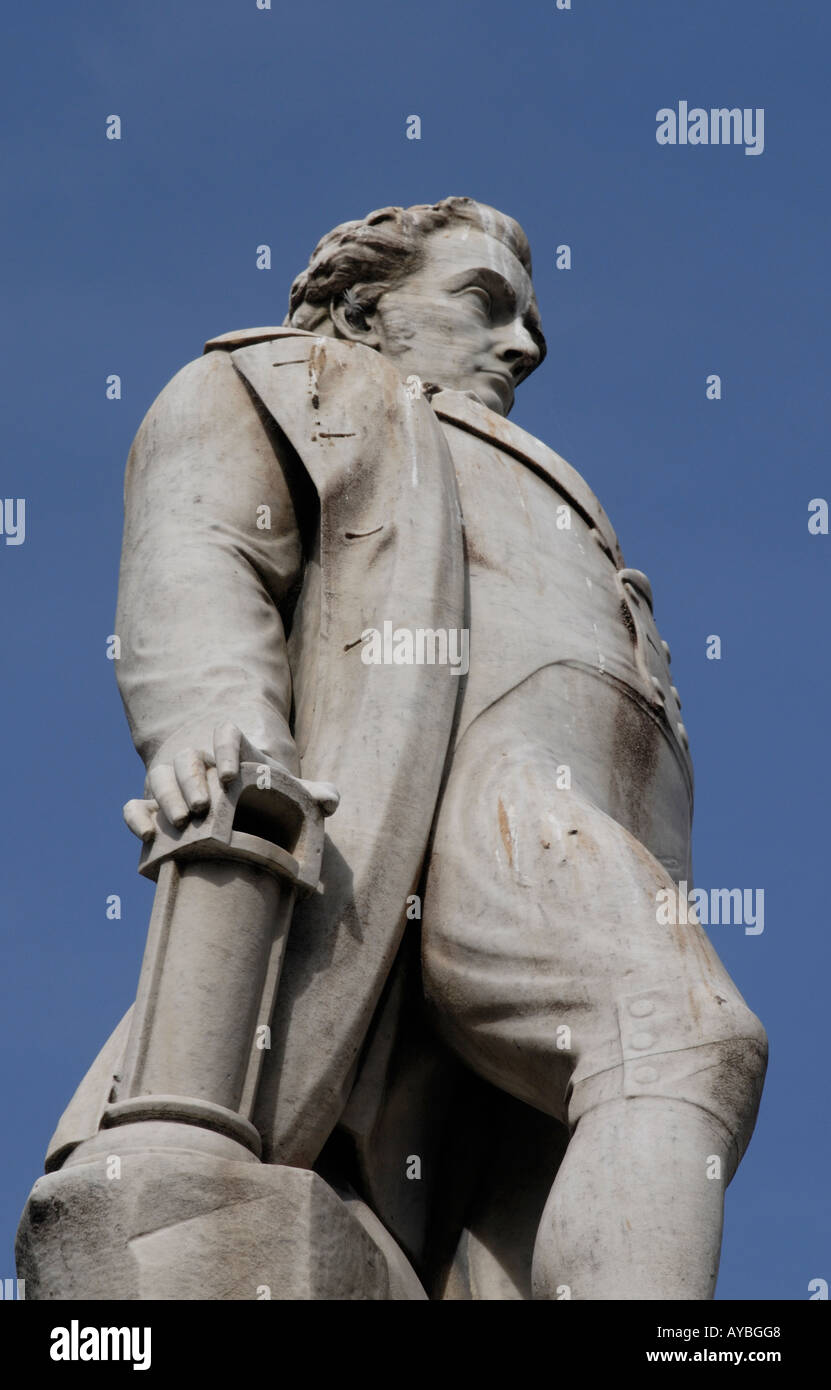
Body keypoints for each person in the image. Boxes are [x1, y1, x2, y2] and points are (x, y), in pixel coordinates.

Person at [48, 197, 767, 1299]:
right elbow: (200, 558)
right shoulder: (294, 387)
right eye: (484, 303)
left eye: (530, 322)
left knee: (513, 1236)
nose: (522, 345)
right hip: (452, 808)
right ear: (361, 307)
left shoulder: (552, 484)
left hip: (589, 840)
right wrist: (213, 720)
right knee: (679, 1027)